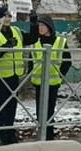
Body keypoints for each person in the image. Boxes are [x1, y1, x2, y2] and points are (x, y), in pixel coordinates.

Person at [27, 11, 71, 141]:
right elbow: (31, 60)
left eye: (43, 26)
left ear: (49, 27)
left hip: (53, 82)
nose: (40, 28)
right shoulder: (35, 42)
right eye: (39, 25)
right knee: (40, 110)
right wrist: (31, 73)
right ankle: (41, 133)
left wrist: (59, 75)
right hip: (38, 81)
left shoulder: (60, 41)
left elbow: (67, 61)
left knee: (50, 109)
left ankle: (49, 134)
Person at [0, 6, 26, 145]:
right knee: (1, 103)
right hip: (2, 74)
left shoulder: (16, 31)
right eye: (4, 16)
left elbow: (31, 38)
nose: (7, 18)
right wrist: (5, 47)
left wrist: (33, 22)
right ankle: (1, 133)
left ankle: (10, 131)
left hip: (15, 73)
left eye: (9, 16)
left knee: (12, 104)